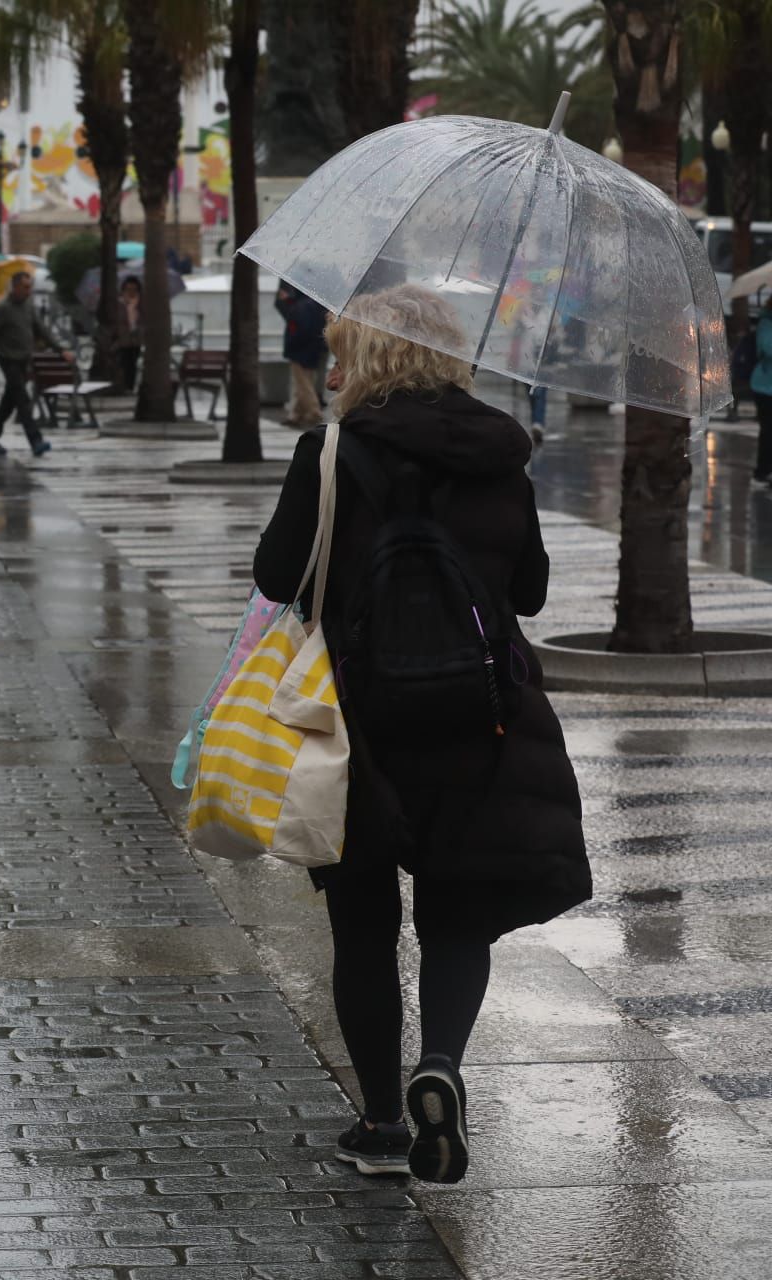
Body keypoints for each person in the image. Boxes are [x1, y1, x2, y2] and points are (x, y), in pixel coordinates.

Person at [251, 284, 589, 1186]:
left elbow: (277, 575)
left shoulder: (329, 453)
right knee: (458, 917)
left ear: (358, 355)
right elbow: (528, 594)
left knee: (362, 928)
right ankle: (439, 1064)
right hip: (480, 726)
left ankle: (381, 1123)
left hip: (357, 727)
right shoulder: (501, 457)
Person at [0, 270, 55, 458]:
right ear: (15, 287)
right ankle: (36, 440)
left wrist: (60, 349)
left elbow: (41, 329)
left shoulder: (28, 306)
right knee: (23, 401)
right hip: (9, 360)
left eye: (30, 286)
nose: (29, 291)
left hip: (24, 360)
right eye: (25, 287)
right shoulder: (2, 309)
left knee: (9, 403)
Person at [276, 282, 329, 427]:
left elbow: (298, 330)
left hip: (300, 352)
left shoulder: (301, 307)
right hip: (311, 351)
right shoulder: (314, 303)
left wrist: (286, 302)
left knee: (303, 384)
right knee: (305, 382)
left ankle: (314, 412)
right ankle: (296, 414)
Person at [753, 308, 772, 483]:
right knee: (768, 431)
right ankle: (763, 470)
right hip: (765, 387)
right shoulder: (766, 323)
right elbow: (767, 347)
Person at [116, 276, 143, 395]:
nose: (131, 292)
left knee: (132, 363)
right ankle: (122, 386)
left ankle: (130, 387)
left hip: (135, 339)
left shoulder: (141, 304)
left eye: (134, 289)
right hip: (122, 339)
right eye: (128, 289)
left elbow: (144, 321)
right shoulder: (119, 304)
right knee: (123, 363)